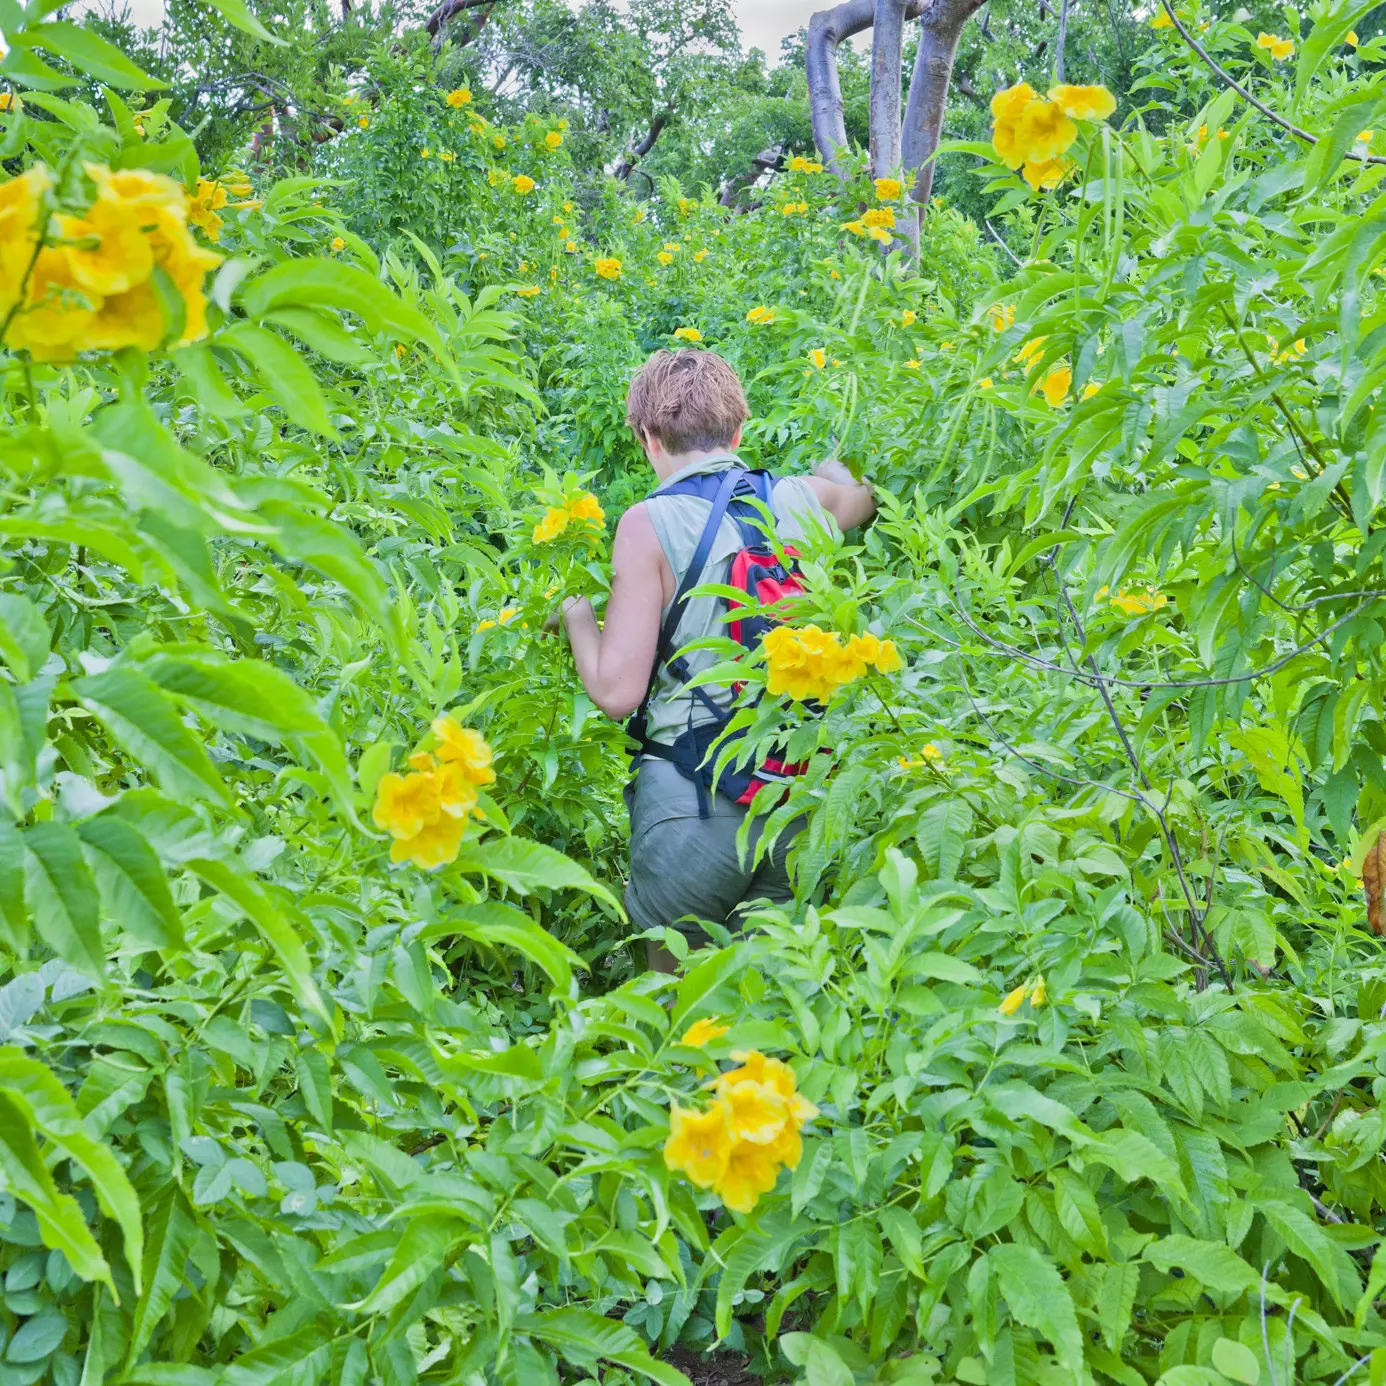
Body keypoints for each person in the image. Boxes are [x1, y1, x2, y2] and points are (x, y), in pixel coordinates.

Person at [554, 348, 876, 970]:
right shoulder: (802, 498)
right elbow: (861, 498)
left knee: (676, 1015)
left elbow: (616, 691)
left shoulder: (649, 522)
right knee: (766, 1016)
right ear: (738, 431)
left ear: (648, 440)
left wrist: (575, 617)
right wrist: (832, 471)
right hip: (798, 801)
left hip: (692, 803)